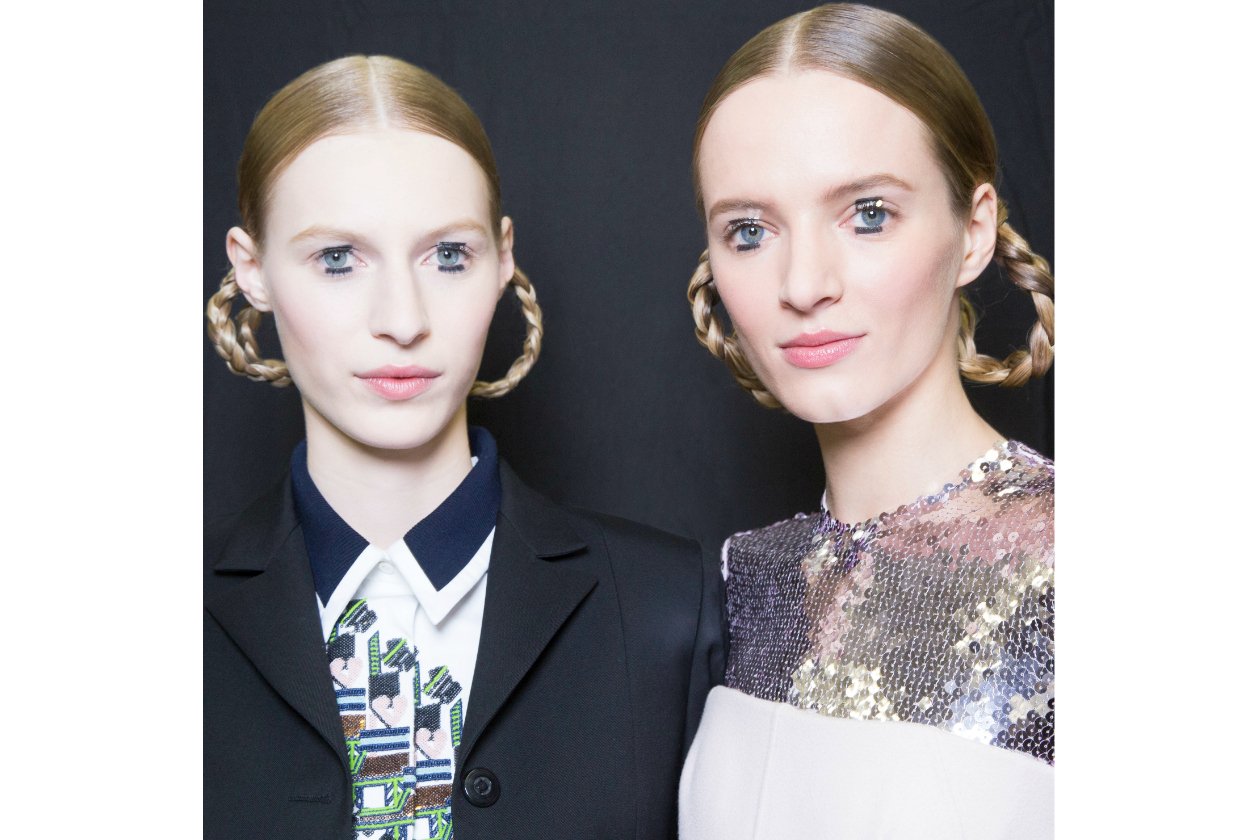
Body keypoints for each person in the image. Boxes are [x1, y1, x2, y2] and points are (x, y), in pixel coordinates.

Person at [203, 55, 724, 840]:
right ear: (253, 270)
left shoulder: (666, 606)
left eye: (448, 255)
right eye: (338, 259)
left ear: (502, 257)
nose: (402, 319)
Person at [678, 4, 1053, 838]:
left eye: (870, 213)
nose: (803, 284)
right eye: (750, 231)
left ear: (974, 231)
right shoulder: (745, 580)